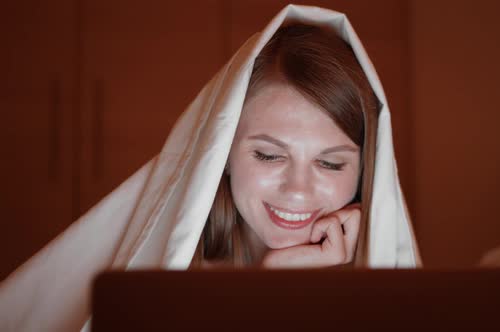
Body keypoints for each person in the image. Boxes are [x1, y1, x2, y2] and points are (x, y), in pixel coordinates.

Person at [0, 5, 420, 331]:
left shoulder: (380, 293)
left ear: (364, 170)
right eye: (269, 155)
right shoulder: (169, 281)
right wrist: (271, 288)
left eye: (330, 163)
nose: (297, 190)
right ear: (221, 154)